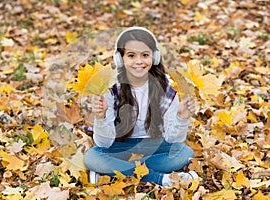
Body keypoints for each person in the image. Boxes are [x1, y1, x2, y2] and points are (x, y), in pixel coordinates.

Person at [84, 27, 198, 187]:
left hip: (155, 147)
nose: (139, 61)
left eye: (145, 55)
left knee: (185, 153)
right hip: (120, 148)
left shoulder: (167, 88)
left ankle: (115, 174)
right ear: (120, 59)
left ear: (155, 57)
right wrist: (101, 117)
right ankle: (160, 179)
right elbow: (104, 144)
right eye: (131, 56)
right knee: (92, 157)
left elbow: (174, 140)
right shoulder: (110, 89)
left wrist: (181, 118)